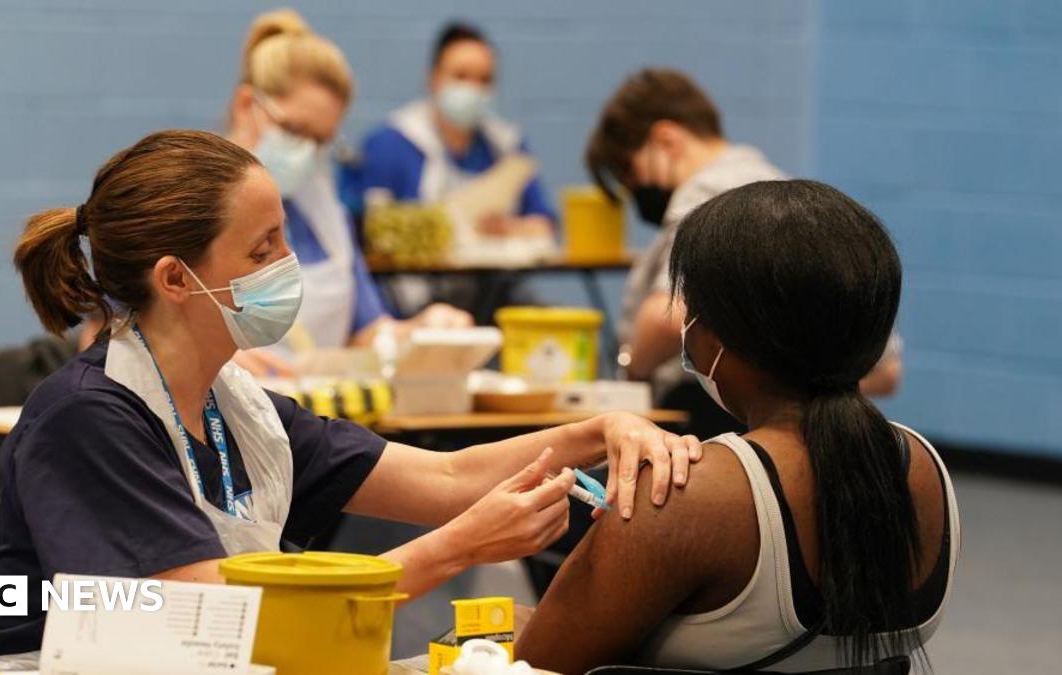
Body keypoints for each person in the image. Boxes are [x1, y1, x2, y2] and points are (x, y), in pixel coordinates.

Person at [0, 129, 702, 655]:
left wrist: (599, 430)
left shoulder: (240, 408)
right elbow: (209, 614)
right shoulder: (87, 418)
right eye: (263, 250)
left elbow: (444, 475)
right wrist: (457, 549)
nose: (291, 266)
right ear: (174, 279)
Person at [517, 180, 959, 674]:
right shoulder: (923, 469)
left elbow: (534, 666)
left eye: (692, 312)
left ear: (718, 338)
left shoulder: (683, 494)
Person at [586, 69, 901, 439]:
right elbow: (886, 369)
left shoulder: (705, 192)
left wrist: (632, 371)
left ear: (666, 141)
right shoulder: (792, 193)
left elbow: (669, 315)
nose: (634, 191)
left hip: (715, 420)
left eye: (631, 173)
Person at [222, 10, 470, 374]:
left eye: (321, 141)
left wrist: (422, 331)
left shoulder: (325, 213)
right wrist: (213, 360)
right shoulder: (190, 199)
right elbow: (129, 328)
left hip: (314, 414)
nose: (306, 152)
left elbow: (368, 330)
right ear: (247, 106)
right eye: (295, 130)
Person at [348, 21, 555, 318]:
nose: (472, 88)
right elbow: (372, 232)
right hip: (415, 302)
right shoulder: (390, 144)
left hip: (493, 295)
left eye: (483, 80)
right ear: (433, 79)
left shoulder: (506, 145)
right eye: (460, 76)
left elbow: (544, 224)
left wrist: (509, 229)